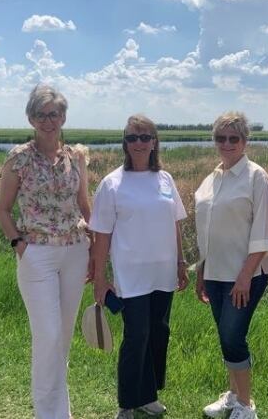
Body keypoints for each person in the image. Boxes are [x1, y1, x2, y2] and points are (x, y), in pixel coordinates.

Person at [0, 84, 92, 419]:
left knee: (63, 338)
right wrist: (19, 245)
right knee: (48, 336)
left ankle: (58, 412)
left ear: (63, 117)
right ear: (31, 118)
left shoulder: (76, 157)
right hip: (37, 254)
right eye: (41, 114)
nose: (48, 120)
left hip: (76, 251)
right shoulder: (19, 158)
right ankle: (47, 413)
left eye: (54, 114)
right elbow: (3, 210)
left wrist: (96, 251)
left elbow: (84, 204)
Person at [89, 114, 189, 419]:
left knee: (159, 333)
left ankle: (148, 395)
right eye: (132, 137)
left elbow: (175, 224)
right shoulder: (112, 183)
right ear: (125, 142)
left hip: (163, 273)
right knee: (137, 336)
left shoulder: (165, 179)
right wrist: (99, 278)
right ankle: (127, 403)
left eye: (145, 137)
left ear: (155, 142)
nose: (139, 143)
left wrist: (181, 263)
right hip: (130, 276)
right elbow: (101, 235)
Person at [194, 112, 268, 419]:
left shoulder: (256, 177)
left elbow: (264, 232)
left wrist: (244, 276)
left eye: (234, 138)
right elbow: (206, 231)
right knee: (225, 335)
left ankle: (245, 405)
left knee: (232, 336)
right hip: (215, 272)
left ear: (245, 141)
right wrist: (201, 271)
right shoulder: (211, 178)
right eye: (220, 138)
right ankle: (232, 396)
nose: (226, 144)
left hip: (246, 274)